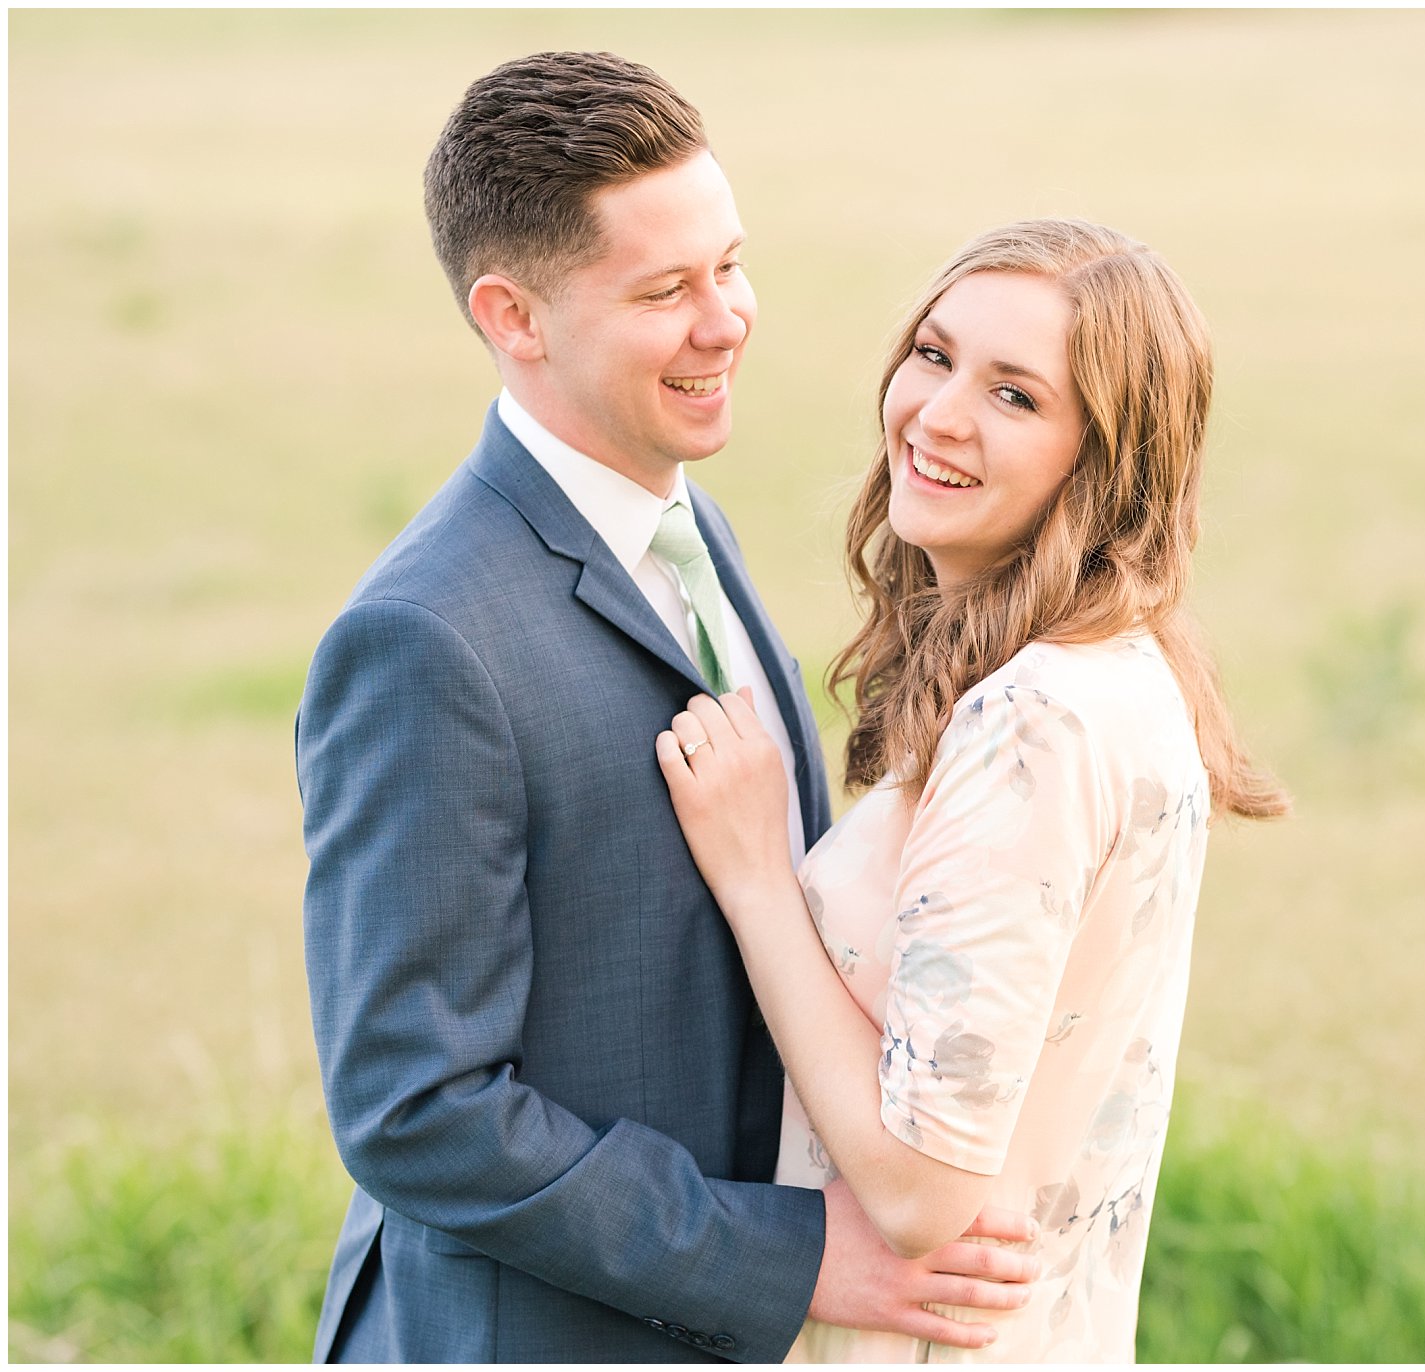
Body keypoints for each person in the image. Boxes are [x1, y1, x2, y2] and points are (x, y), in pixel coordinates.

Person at [297, 52, 1037, 1363]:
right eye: (665, 291)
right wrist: (791, 1257)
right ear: (514, 317)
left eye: (730, 265)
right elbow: (418, 1110)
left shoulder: (696, 526)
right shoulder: (422, 641)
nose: (727, 321)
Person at [656, 218, 1290, 1362]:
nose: (937, 414)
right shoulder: (1124, 670)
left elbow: (919, 1189)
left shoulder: (1031, 721)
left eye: (1016, 397)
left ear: (1103, 462)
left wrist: (754, 877)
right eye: (935, 356)